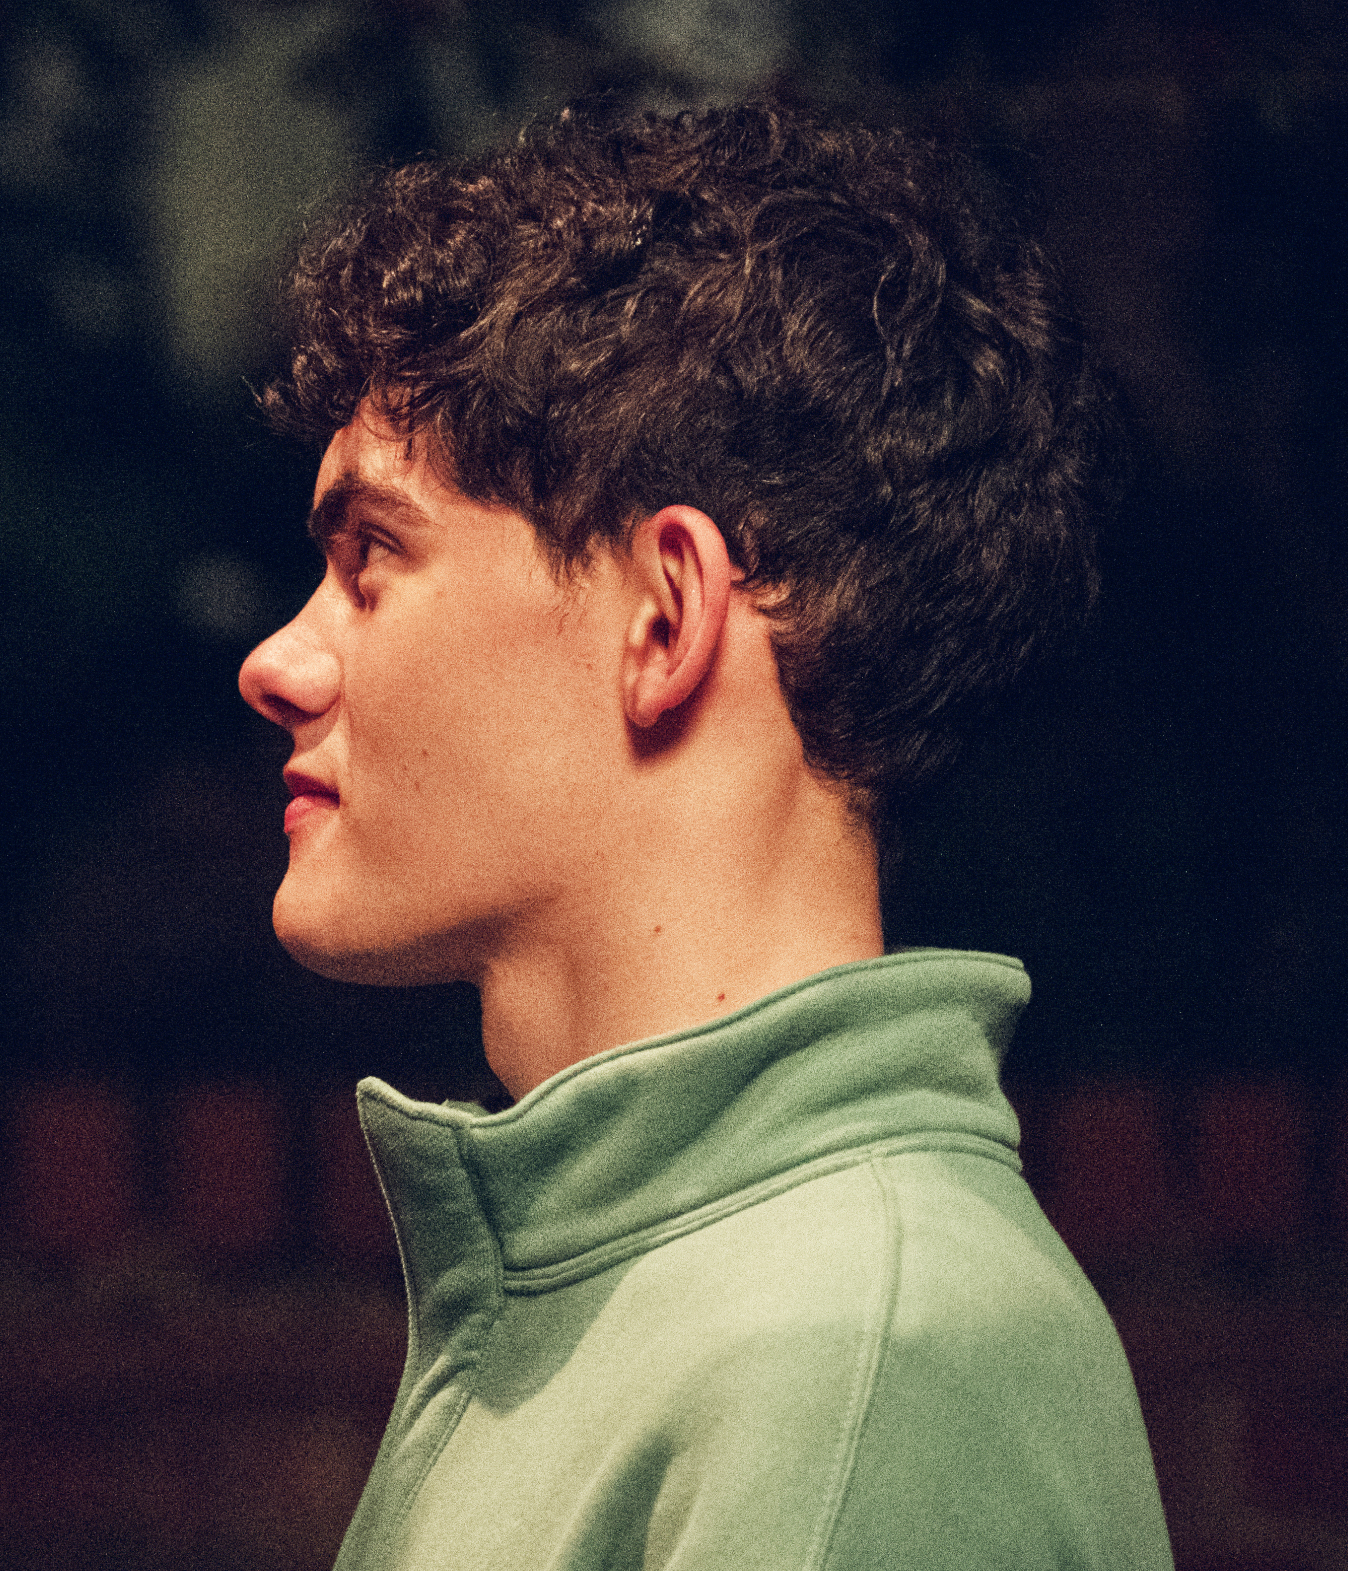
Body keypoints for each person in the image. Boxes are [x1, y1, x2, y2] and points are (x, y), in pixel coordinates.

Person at [237, 102, 1170, 1569]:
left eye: (372, 560)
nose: (277, 662)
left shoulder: (860, 1358)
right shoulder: (642, 1297)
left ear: (664, 618)